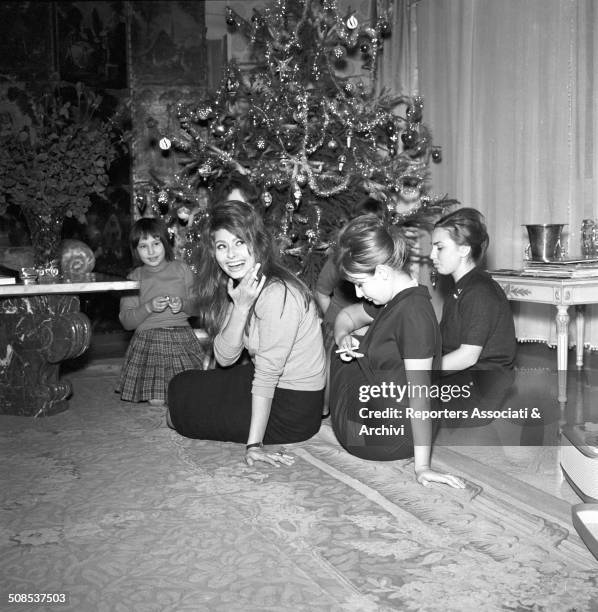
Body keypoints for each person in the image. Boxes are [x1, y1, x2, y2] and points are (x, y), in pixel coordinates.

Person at [167, 200, 326, 467]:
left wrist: (254, 444)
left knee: (177, 418)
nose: (231, 254)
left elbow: (267, 373)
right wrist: (240, 307)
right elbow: (225, 358)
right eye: (222, 246)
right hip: (268, 382)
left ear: (257, 243)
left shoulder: (277, 293)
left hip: (292, 408)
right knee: (181, 384)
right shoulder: (246, 286)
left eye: (239, 242)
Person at [328, 214, 465, 488]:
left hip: (380, 440)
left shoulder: (412, 315)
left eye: (359, 283)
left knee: (338, 355)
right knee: (348, 339)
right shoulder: (399, 297)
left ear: (382, 272)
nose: (357, 292)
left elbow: (420, 398)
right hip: (391, 428)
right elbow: (347, 315)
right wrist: (344, 336)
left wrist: (423, 467)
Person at [430, 207, 517, 426]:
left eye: (439, 248)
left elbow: (467, 357)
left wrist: (419, 373)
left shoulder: (479, 291)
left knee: (393, 396)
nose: (431, 255)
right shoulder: (462, 286)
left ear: (464, 250)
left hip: (478, 390)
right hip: (463, 378)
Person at [116, 217, 207, 406]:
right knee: (157, 400)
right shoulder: (134, 277)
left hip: (181, 337)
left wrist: (182, 304)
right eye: (143, 246)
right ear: (135, 250)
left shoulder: (182, 269)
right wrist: (148, 307)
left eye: (156, 244)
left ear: (165, 243)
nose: (151, 251)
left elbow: (198, 307)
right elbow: (126, 321)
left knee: (194, 391)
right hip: (148, 343)